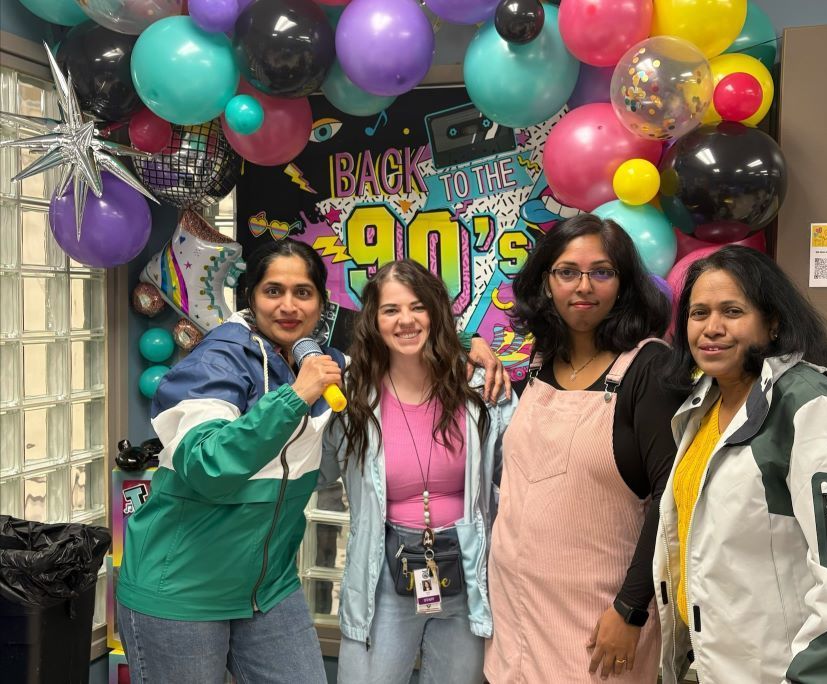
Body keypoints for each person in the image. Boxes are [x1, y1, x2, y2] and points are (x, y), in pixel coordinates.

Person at [656, 245, 827, 683]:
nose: (712, 328)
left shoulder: (814, 408)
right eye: (698, 313)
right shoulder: (705, 406)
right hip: (714, 666)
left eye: (732, 311)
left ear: (773, 322)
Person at [116, 240, 343, 683]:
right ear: (249, 298)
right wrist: (295, 398)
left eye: (303, 292)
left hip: (268, 588)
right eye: (273, 291)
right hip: (182, 592)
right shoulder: (218, 361)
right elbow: (206, 466)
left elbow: (401, 333)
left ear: (321, 302)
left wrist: (472, 347)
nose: (288, 306)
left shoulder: (314, 357)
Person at [485, 214, 686, 683]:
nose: (584, 286)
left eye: (602, 272)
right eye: (567, 272)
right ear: (546, 282)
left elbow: (672, 499)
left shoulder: (648, 368)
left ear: (624, 284)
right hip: (516, 617)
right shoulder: (539, 361)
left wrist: (631, 610)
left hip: (600, 626)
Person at [320, 259, 518, 684]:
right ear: (373, 320)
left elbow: (518, 479)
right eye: (391, 310)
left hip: (468, 575)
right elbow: (315, 472)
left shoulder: (481, 388)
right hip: (383, 578)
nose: (405, 320)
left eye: (418, 307)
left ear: (436, 312)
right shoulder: (350, 394)